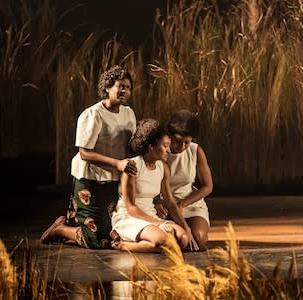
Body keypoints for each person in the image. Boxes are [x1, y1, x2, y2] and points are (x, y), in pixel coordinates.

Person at [40, 65, 137, 249]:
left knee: (109, 236)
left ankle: (68, 227)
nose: (124, 90)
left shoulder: (129, 113)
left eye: (128, 87)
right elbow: (85, 153)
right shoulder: (93, 114)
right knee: (97, 239)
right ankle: (60, 229)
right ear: (107, 87)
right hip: (92, 178)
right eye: (120, 86)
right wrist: (118, 163)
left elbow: (129, 145)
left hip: (115, 177)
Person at [110, 118, 199, 253]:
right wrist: (159, 224)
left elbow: (170, 203)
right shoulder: (133, 166)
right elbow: (131, 207)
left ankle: (150, 244)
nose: (169, 150)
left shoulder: (163, 168)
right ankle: (123, 245)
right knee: (163, 240)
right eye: (165, 146)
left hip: (150, 214)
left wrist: (187, 228)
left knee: (183, 239)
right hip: (129, 217)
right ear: (151, 146)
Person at [154, 110, 213, 251]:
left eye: (187, 142)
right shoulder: (158, 150)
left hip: (189, 203)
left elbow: (207, 186)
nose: (181, 147)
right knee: (175, 242)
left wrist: (182, 204)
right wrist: (156, 201)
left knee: (199, 239)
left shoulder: (195, 151)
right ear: (169, 136)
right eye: (177, 142)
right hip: (163, 206)